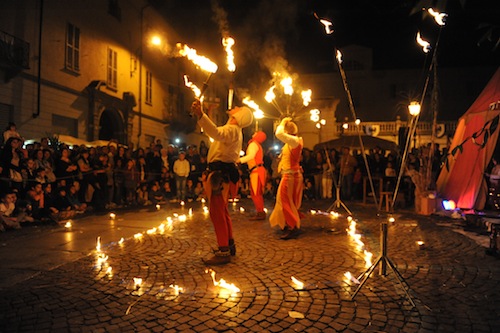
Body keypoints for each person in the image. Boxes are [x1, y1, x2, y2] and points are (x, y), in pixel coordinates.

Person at [190, 99, 253, 265]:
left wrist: (201, 115)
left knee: (217, 213)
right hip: (223, 173)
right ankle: (229, 244)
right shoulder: (234, 130)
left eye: (239, 108)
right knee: (222, 212)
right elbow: (217, 132)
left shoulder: (232, 129)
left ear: (240, 116)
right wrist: (206, 114)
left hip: (220, 175)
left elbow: (217, 133)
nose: (236, 107)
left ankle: (224, 250)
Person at [269, 117, 304, 240]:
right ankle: (288, 223)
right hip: (291, 175)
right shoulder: (292, 142)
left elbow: (278, 133)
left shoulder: (294, 140)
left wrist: (283, 122)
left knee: (285, 201)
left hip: (290, 176)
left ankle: (292, 226)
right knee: (287, 201)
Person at [238, 131, 267, 220]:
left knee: (255, 193)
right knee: (256, 192)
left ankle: (260, 212)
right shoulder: (257, 145)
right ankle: (260, 211)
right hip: (257, 170)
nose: (254, 133)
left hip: (256, 171)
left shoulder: (253, 144)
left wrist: (239, 160)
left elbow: (251, 156)